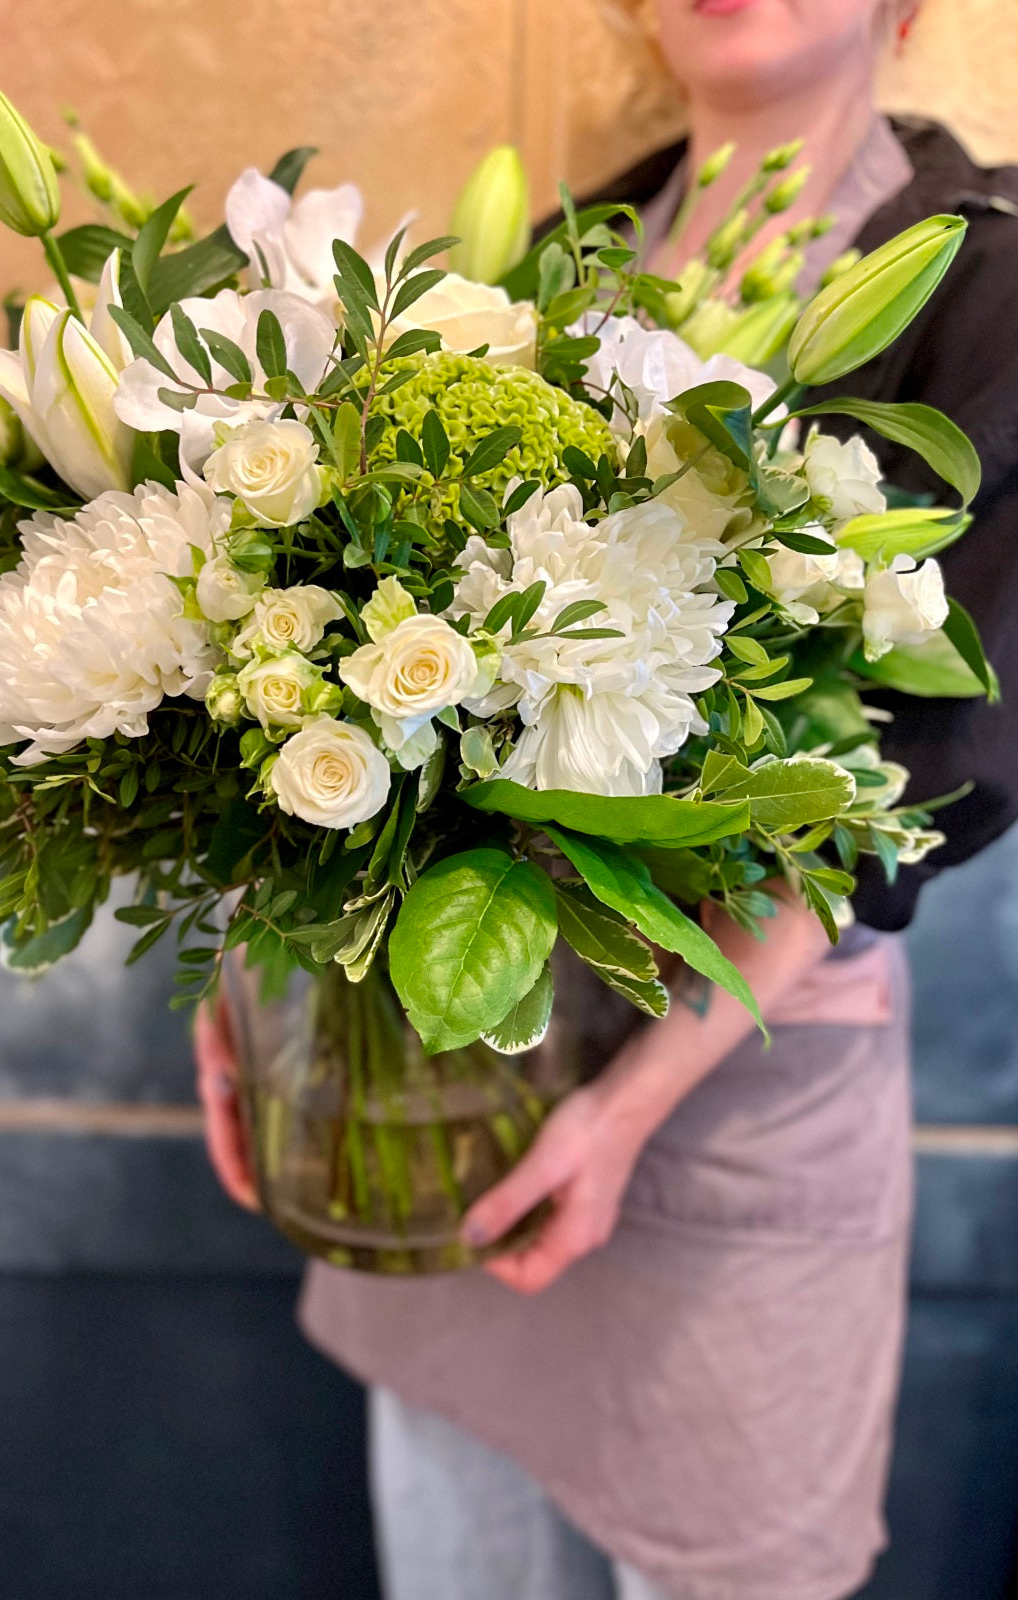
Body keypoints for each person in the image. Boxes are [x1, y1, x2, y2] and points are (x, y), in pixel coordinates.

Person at [196, 3, 1018, 1596]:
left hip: (732, 1096)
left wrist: (623, 1110)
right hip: (458, 1101)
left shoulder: (985, 277)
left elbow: (931, 772)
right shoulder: (548, 259)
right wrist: (261, 971)